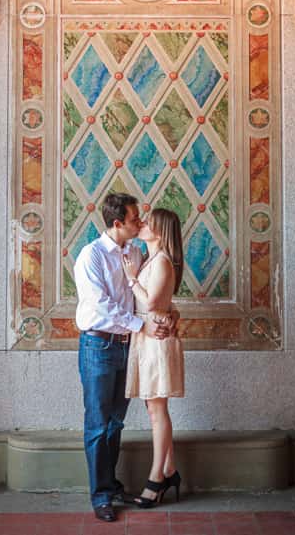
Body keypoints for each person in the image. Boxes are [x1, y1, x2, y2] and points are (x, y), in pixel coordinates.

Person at [73, 192, 177, 523]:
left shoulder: (134, 252)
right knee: (98, 423)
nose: (139, 223)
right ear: (118, 223)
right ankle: (101, 495)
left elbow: (151, 296)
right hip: (98, 346)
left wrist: (170, 315)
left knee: (116, 421)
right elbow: (100, 304)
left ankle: (112, 484)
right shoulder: (91, 256)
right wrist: (142, 324)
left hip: (127, 346)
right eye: (135, 219)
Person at [123, 208, 185, 507]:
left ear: (159, 231)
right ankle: (170, 470)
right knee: (153, 409)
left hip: (156, 342)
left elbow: (152, 302)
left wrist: (132, 279)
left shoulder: (162, 262)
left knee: (157, 410)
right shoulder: (151, 260)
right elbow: (164, 305)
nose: (142, 223)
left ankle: (156, 479)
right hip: (148, 338)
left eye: (148, 222)